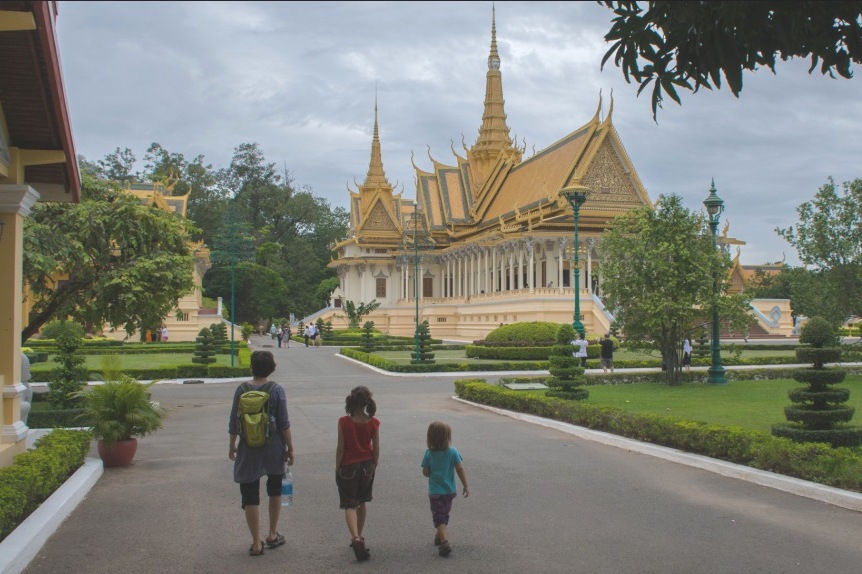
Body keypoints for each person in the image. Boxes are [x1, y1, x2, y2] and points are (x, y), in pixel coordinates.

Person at [229, 351, 295, 556]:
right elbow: (284, 423)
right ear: (271, 368)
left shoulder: (241, 389)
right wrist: (290, 448)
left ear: (252, 367)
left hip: (248, 446)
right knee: (275, 490)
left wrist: (232, 444)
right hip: (273, 447)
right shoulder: (276, 390)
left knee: (250, 495)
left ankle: (256, 543)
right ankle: (272, 534)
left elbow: (234, 421)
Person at [335, 386, 380, 562]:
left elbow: (340, 448)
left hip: (348, 466)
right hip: (367, 465)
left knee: (349, 504)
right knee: (362, 502)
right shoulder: (373, 422)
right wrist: (374, 463)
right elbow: (376, 448)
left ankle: (355, 537)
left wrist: (337, 466)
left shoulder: (343, 422)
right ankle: (359, 535)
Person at [421, 421, 469, 557]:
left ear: (430, 437)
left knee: (438, 516)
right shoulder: (453, 452)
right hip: (450, 491)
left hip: (435, 492)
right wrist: (465, 485)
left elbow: (425, 472)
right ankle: (439, 536)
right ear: (448, 437)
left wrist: (431, 471)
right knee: (444, 514)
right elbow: (460, 468)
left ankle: (444, 541)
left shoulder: (429, 454)